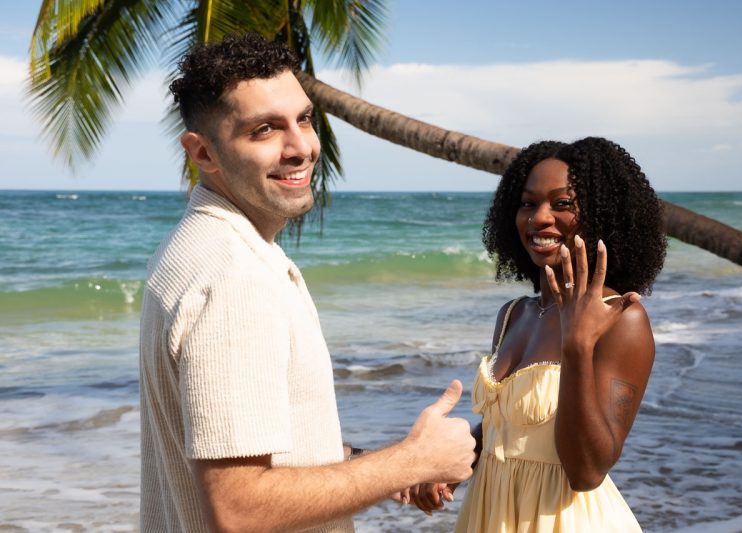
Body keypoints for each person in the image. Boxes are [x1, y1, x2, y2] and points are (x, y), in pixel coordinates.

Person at [138, 33, 475, 533]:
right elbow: (239, 508)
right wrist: (410, 462)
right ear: (203, 153)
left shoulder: (200, 246)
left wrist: (372, 467)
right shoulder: (234, 277)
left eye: (304, 119)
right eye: (264, 130)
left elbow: (257, 451)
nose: (301, 148)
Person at [408, 138, 667, 532]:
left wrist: (577, 344)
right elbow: (507, 426)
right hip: (491, 515)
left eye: (562, 204)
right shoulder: (514, 314)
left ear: (603, 216)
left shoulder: (620, 320)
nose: (539, 218)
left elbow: (587, 471)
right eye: (528, 203)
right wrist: (451, 467)